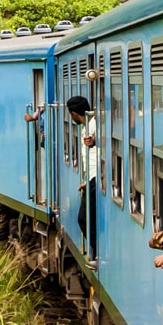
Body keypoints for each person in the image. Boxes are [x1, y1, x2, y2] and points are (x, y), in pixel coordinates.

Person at [67, 95, 98, 260]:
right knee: (86, 218)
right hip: (92, 178)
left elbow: (99, 140)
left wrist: (94, 141)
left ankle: (95, 252)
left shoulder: (95, 125)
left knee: (83, 218)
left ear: (73, 114)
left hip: (97, 178)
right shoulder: (87, 125)